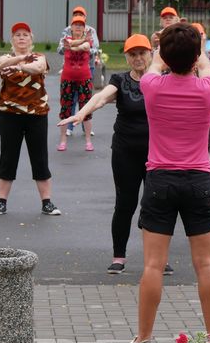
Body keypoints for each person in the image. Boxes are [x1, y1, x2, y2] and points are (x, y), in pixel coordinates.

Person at [132, 24, 210, 343]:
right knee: (206, 265)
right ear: (196, 55)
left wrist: (162, 54)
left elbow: (155, 64)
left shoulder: (151, 85)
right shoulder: (209, 88)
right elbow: (207, 67)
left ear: (165, 56)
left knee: (153, 265)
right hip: (198, 179)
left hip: (160, 179)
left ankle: (143, 338)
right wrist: (200, 56)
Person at [58, 34, 155, 274]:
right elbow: (101, 97)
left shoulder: (161, 80)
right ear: (127, 57)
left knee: (154, 205)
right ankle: (119, 256)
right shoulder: (119, 80)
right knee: (125, 203)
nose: (138, 58)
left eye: (142, 53)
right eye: (133, 54)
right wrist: (82, 114)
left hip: (157, 154)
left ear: (151, 54)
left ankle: (157, 257)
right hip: (125, 152)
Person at [0, 21, 61, 217]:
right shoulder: (5, 57)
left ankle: (47, 203)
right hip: (9, 115)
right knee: (8, 157)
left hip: (36, 115)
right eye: (17, 35)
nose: (21, 38)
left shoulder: (40, 57)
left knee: (40, 158)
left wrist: (19, 66)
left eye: (25, 35)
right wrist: (21, 60)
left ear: (31, 39)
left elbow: (38, 68)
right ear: (12, 39)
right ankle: (1, 202)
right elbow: (2, 64)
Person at [57, 6, 100, 138]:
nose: (78, 16)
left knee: (85, 99)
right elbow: (61, 48)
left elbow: (94, 48)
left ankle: (84, 126)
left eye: (81, 14)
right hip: (70, 69)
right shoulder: (67, 30)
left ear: (85, 17)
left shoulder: (91, 30)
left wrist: (80, 48)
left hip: (88, 66)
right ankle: (69, 127)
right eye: (75, 14)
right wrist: (80, 46)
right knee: (71, 99)